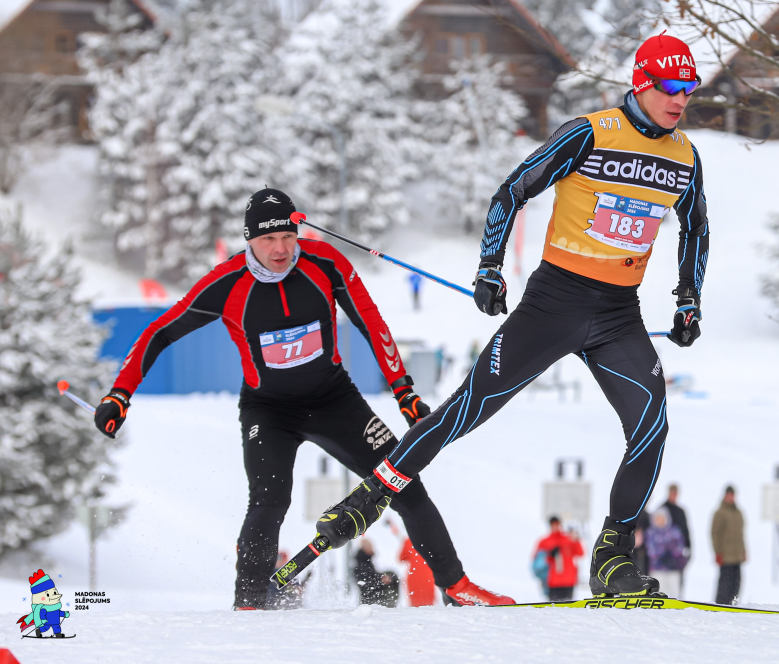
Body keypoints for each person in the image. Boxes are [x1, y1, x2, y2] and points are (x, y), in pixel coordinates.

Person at [317, 33, 709, 599]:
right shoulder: (589, 133)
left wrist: (688, 299)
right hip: (555, 304)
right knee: (466, 409)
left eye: (690, 88)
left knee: (652, 423)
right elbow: (511, 192)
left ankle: (611, 556)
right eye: (671, 86)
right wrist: (489, 267)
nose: (681, 99)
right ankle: (370, 496)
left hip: (619, 315)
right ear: (642, 83)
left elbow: (696, 228)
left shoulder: (684, 156)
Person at [91, 188, 511, 609]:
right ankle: (249, 604)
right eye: (268, 239)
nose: (280, 249)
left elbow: (371, 322)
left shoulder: (325, 263)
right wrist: (120, 393)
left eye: (288, 237)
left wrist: (404, 391)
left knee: (405, 485)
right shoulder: (226, 283)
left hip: (334, 400)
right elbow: (159, 331)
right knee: (269, 501)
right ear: (249, 239)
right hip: (268, 410)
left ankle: (457, 587)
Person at [534, 516, 585, 601]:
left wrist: (576, 540)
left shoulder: (568, 539)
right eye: (553, 525)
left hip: (569, 580)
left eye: (557, 524)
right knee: (553, 606)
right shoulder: (544, 541)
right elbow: (538, 560)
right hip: (553, 581)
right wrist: (550, 555)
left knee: (568, 606)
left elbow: (580, 553)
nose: (555, 527)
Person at [711, 485, 746, 605]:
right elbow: (715, 534)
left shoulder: (738, 512)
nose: (731, 497)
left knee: (736, 584)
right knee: (724, 585)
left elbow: (741, 534)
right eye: (729, 495)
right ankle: (720, 605)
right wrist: (718, 553)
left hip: (737, 556)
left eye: (732, 495)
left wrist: (743, 551)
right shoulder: (720, 513)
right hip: (726, 557)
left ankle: (732, 605)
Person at [646, 507, 688, 598]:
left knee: (675, 594)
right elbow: (651, 550)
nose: (660, 521)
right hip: (657, 568)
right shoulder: (651, 532)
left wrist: (672, 556)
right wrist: (661, 556)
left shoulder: (674, 531)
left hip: (673, 568)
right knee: (658, 593)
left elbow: (680, 547)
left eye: (662, 518)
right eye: (657, 518)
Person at [661, 483, 692, 589]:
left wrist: (688, 547)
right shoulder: (662, 509)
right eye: (672, 493)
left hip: (678, 553)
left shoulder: (681, 511)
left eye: (675, 493)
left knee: (678, 583)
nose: (674, 495)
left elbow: (686, 531)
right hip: (664, 554)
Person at [355, 537, 399, 607]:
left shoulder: (364, 561)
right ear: (365, 549)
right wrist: (381, 579)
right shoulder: (362, 563)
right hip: (371, 601)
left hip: (371, 600)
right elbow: (367, 581)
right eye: (371, 547)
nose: (373, 549)